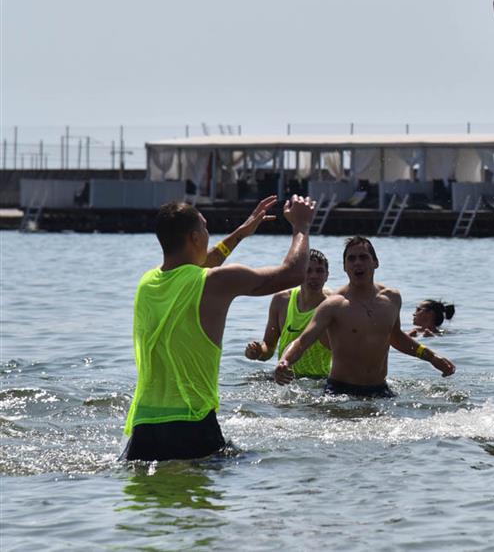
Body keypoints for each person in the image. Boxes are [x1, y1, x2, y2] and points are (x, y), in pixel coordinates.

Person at [123, 194, 316, 461]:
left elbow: (201, 264)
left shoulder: (148, 282)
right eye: (205, 228)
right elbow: (293, 273)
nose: (208, 234)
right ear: (195, 237)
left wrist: (241, 233)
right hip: (191, 423)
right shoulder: (215, 282)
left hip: (143, 428)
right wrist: (301, 227)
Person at [274, 236, 455, 397]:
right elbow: (302, 341)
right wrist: (285, 361)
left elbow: (396, 337)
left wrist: (432, 357)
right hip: (340, 391)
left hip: (380, 389)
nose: (357, 263)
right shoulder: (333, 305)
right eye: (351, 259)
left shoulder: (392, 299)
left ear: (375, 262)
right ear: (345, 267)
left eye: (363, 257)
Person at [244, 249, 332, 377]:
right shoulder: (281, 300)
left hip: (319, 381)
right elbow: (269, 347)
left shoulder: (333, 306)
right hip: (284, 379)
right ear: (299, 274)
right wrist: (258, 352)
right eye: (308, 270)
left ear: (327, 275)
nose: (314, 276)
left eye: (319, 271)